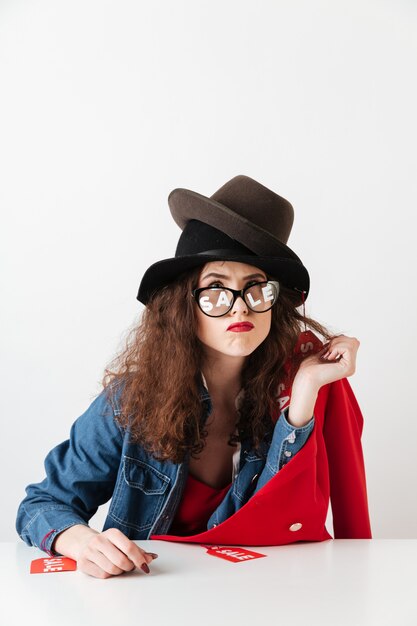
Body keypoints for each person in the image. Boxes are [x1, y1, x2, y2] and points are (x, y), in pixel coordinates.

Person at [16, 174, 370, 579]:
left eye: (256, 289)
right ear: (184, 306)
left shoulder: (286, 398)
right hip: (149, 597)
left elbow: (273, 524)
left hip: (259, 598)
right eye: (216, 290)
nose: (240, 309)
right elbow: (41, 504)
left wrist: (303, 398)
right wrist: (81, 541)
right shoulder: (129, 401)